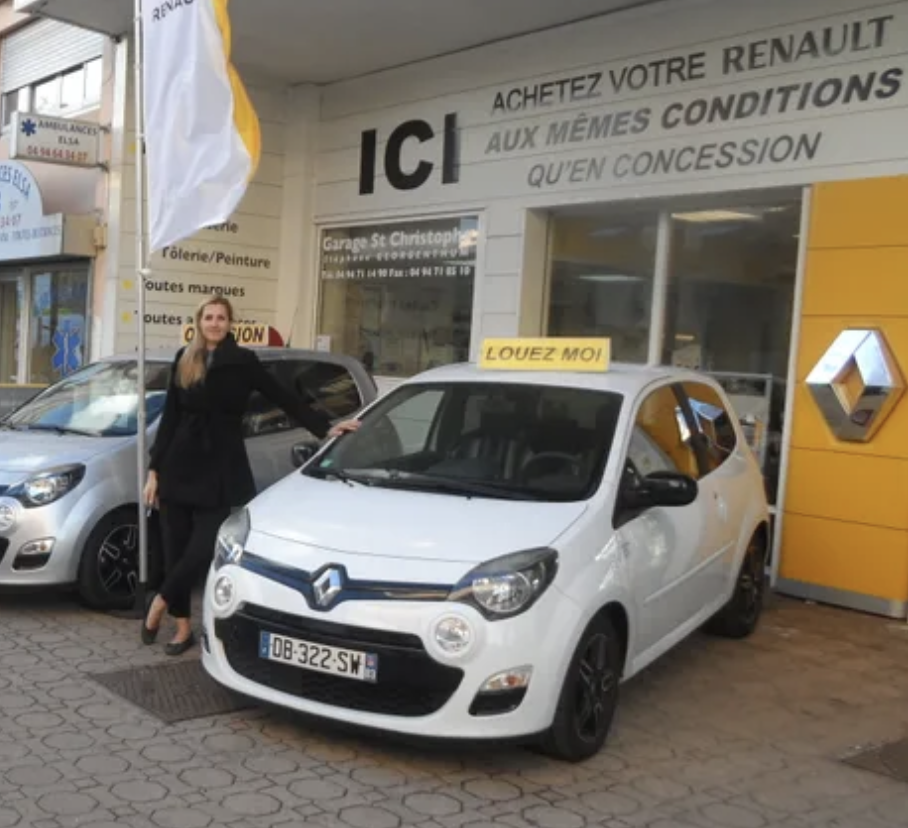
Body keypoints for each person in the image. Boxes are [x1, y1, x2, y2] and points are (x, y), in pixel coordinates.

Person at [141, 295, 359, 654]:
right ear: (199, 321)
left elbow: (282, 396)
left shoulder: (242, 361)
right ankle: (181, 629)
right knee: (174, 549)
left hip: (218, 465)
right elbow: (171, 418)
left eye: (220, 317)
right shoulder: (185, 358)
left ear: (230, 323)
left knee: (201, 548)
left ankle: (160, 602)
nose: (214, 323)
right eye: (208, 317)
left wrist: (325, 427)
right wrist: (154, 470)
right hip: (178, 464)